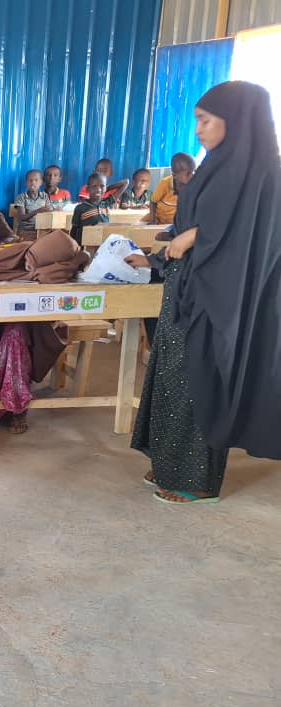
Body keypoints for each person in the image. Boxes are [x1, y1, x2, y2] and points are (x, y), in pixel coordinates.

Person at [130, 81, 281, 504]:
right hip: (187, 289)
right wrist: (159, 256)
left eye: (205, 120)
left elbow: (257, 244)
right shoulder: (216, 165)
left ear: (235, 121)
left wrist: (200, 235)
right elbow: (185, 230)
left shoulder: (262, 174)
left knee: (200, 381)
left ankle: (196, 478)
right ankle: (169, 461)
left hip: (219, 299)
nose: (197, 129)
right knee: (171, 377)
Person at [0, 231, 87, 436]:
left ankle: (16, 406)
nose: (29, 263)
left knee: (15, 337)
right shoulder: (13, 254)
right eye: (30, 257)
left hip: (27, 320)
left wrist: (62, 267)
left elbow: (83, 256)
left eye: (39, 263)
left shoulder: (61, 263)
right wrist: (29, 276)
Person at [150, 152, 196, 224]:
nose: (192, 176)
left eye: (194, 172)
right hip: (159, 221)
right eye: (188, 174)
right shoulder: (165, 184)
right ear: (174, 175)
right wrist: (152, 220)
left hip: (176, 223)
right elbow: (153, 202)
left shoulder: (192, 185)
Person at [69, 173, 115, 243]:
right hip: (84, 244)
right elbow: (74, 230)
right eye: (94, 186)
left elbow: (125, 183)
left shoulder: (106, 203)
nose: (98, 190)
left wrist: (107, 188)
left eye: (102, 186)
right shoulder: (80, 208)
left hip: (103, 243)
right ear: (87, 189)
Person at [12, 169, 53, 240]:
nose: (33, 183)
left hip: (41, 230)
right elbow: (22, 217)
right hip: (26, 231)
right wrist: (38, 211)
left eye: (36, 180)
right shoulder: (22, 197)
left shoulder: (44, 196)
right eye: (30, 180)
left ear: (41, 182)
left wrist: (53, 209)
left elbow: (49, 211)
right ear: (26, 183)